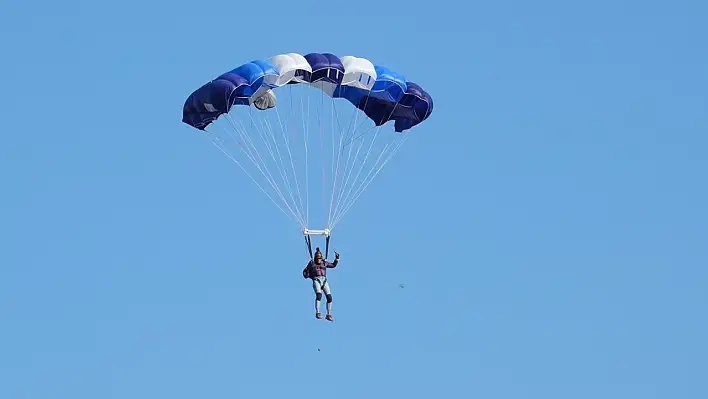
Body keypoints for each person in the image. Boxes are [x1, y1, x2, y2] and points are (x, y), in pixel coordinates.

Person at [303, 247, 340, 321]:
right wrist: (307, 274)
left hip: (324, 280)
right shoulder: (312, 263)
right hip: (316, 280)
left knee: (329, 297)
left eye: (319, 258)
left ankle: (329, 314)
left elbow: (333, 265)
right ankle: (318, 312)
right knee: (319, 295)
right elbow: (305, 273)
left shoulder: (324, 263)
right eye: (317, 258)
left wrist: (337, 259)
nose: (318, 260)